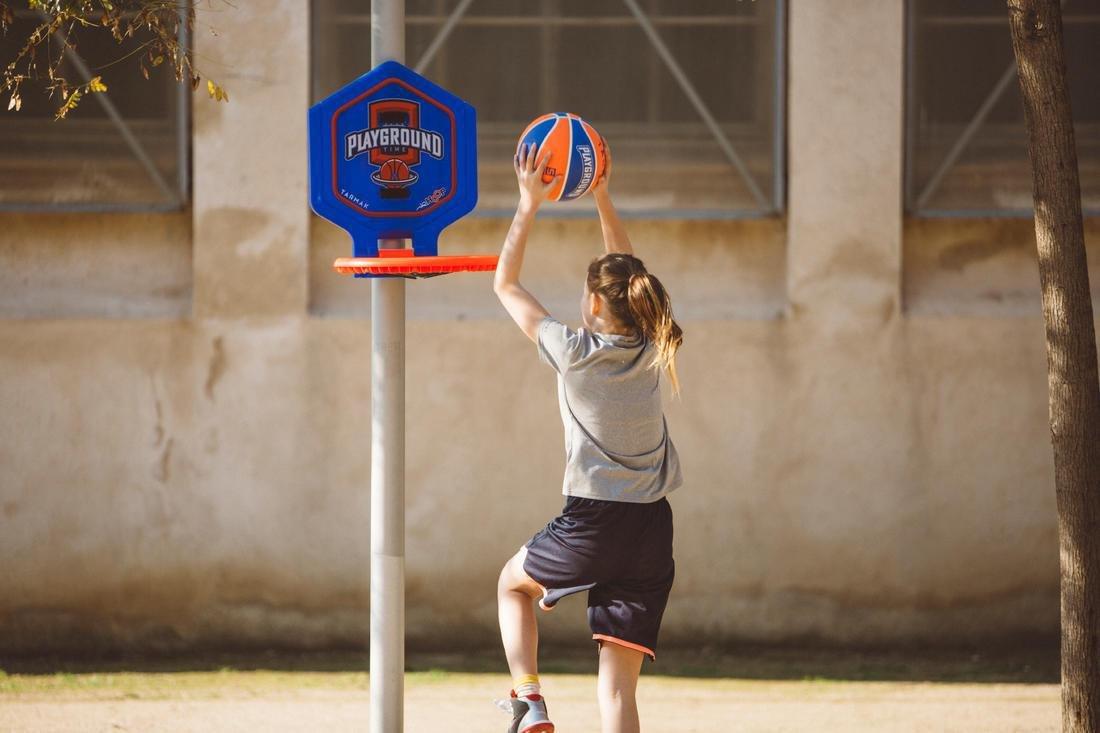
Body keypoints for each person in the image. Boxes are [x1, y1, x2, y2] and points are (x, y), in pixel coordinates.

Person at [492, 141, 684, 733]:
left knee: (511, 586)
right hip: (652, 527)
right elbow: (627, 267)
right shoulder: (656, 346)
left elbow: (505, 284)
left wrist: (528, 202)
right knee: (618, 694)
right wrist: (600, 192)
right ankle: (534, 705)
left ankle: (530, 701)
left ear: (595, 302)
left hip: (594, 520)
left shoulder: (574, 352)